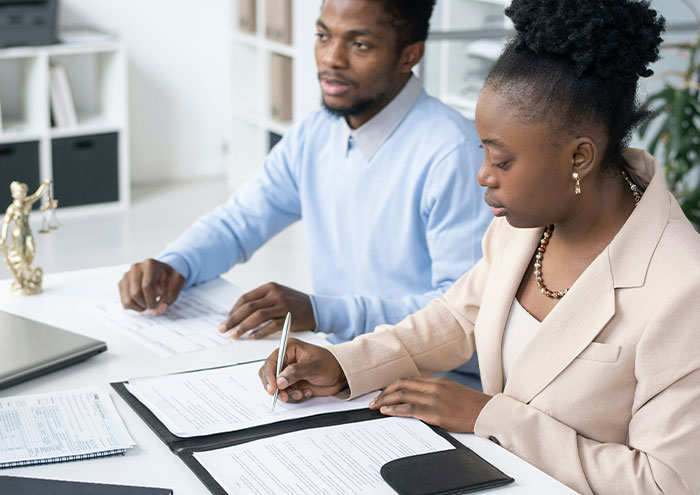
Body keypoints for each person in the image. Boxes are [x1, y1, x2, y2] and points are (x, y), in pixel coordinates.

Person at [258, 0, 700, 493]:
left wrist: (492, 416)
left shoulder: (683, 288)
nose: (483, 176)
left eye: (502, 160)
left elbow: (668, 482)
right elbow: (460, 316)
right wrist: (344, 364)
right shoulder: (526, 222)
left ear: (579, 156)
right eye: (483, 149)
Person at [118, 0, 491, 374]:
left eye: (359, 44)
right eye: (323, 36)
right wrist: (175, 264)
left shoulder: (455, 154)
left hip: (430, 380)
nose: (331, 58)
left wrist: (319, 311)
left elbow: (461, 313)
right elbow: (239, 222)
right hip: (340, 362)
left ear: (409, 55)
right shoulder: (317, 133)